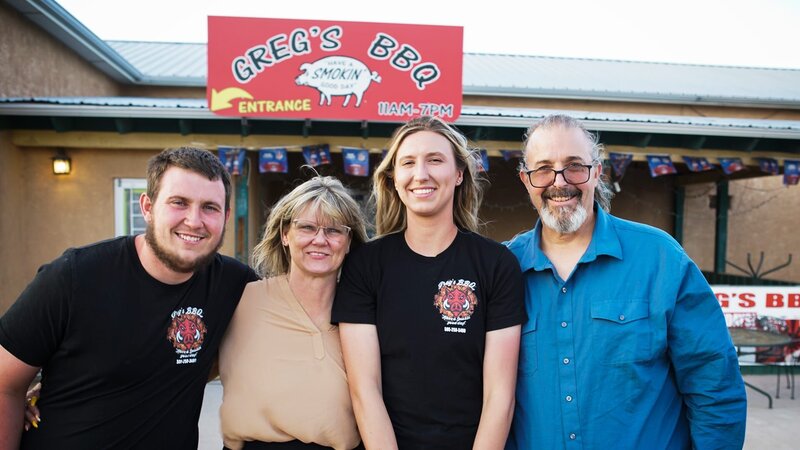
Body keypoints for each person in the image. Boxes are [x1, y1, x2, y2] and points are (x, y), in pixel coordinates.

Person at [505, 114, 747, 449]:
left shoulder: (660, 259)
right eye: (543, 168)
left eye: (575, 165)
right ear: (525, 179)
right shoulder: (502, 269)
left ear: (597, 172)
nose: (559, 182)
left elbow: (714, 384)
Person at [0, 147, 257, 449]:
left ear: (226, 216)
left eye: (210, 208)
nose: (194, 220)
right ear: (147, 207)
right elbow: (5, 385)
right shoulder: (74, 277)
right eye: (179, 202)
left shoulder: (235, 285)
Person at [332, 116, 526, 449]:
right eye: (408, 163)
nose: (421, 174)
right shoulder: (365, 265)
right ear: (394, 179)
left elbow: (499, 396)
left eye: (435, 160)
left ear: (459, 174)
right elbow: (365, 391)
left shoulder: (496, 265)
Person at [218, 175, 368, 450]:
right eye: (307, 227)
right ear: (285, 235)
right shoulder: (242, 299)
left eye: (334, 231)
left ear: (348, 243)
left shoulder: (364, 314)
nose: (320, 240)